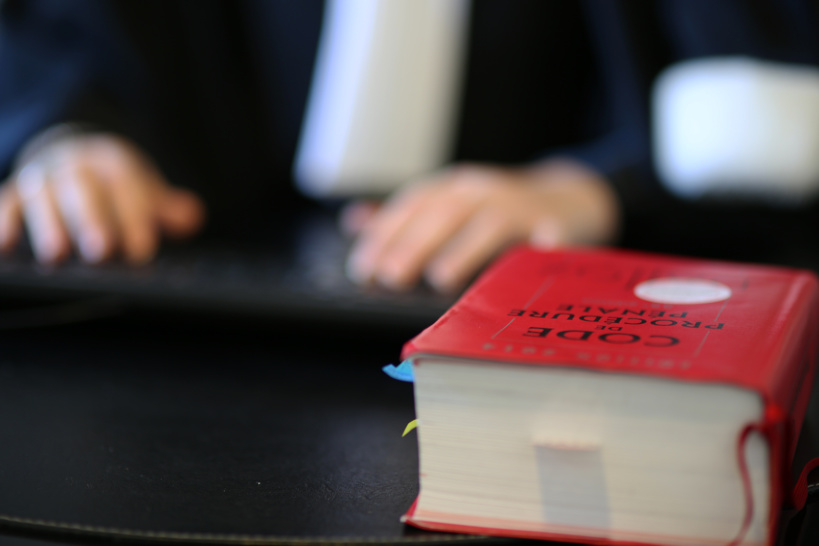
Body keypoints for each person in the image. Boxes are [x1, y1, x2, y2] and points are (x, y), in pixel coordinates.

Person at [0, 0, 816, 293]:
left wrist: (601, 184)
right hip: (175, 295)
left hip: (528, 312)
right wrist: (62, 130)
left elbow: (756, 96)